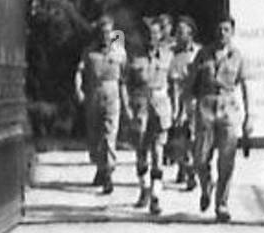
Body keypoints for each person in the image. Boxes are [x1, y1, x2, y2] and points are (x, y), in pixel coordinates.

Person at [184, 15, 252, 223]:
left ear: (232, 32)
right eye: (219, 29)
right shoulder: (203, 54)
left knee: (227, 159)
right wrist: (187, 108)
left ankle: (222, 204)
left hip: (229, 106)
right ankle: (206, 185)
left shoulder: (237, 56)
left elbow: (245, 87)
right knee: (200, 158)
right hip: (206, 105)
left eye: (226, 30)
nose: (222, 33)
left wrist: (249, 116)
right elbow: (190, 84)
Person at [72, 13, 127, 195]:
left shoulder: (119, 51)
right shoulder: (89, 51)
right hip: (93, 92)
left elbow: (127, 75)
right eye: (103, 32)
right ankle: (100, 166)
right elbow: (79, 71)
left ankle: (109, 173)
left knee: (110, 133)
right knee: (94, 135)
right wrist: (79, 89)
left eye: (109, 32)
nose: (106, 36)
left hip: (112, 92)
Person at [123, 17, 171, 215]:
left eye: (156, 34)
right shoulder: (135, 57)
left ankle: (156, 196)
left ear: (161, 35)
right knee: (141, 152)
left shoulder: (168, 56)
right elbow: (124, 83)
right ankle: (144, 187)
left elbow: (174, 84)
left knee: (158, 151)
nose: (152, 38)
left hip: (160, 106)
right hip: (140, 106)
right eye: (149, 34)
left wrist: (175, 108)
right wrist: (127, 107)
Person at [167, 14, 200, 190]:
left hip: (194, 100)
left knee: (192, 137)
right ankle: (184, 166)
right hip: (175, 98)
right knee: (179, 137)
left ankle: (189, 169)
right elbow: (171, 83)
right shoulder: (170, 53)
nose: (178, 35)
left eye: (182, 32)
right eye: (177, 32)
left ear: (190, 34)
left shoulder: (198, 53)